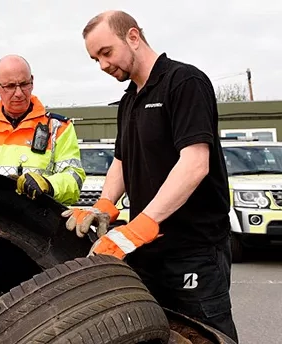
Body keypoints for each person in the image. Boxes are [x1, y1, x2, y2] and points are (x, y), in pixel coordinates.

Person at [62, 10, 239, 342]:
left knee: (203, 336)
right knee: (153, 333)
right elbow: (121, 160)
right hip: (147, 252)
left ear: (132, 36)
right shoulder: (129, 99)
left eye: (106, 52)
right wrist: (105, 205)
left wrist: (141, 225)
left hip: (193, 251)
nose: (102, 65)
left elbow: (195, 163)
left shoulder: (184, 82)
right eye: (94, 59)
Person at [0, 54, 86, 305]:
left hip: (39, 238)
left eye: (24, 84)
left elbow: (75, 178)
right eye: (10, 86)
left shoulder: (58, 128)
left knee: (37, 312)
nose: (18, 93)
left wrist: (48, 185)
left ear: (33, 82)